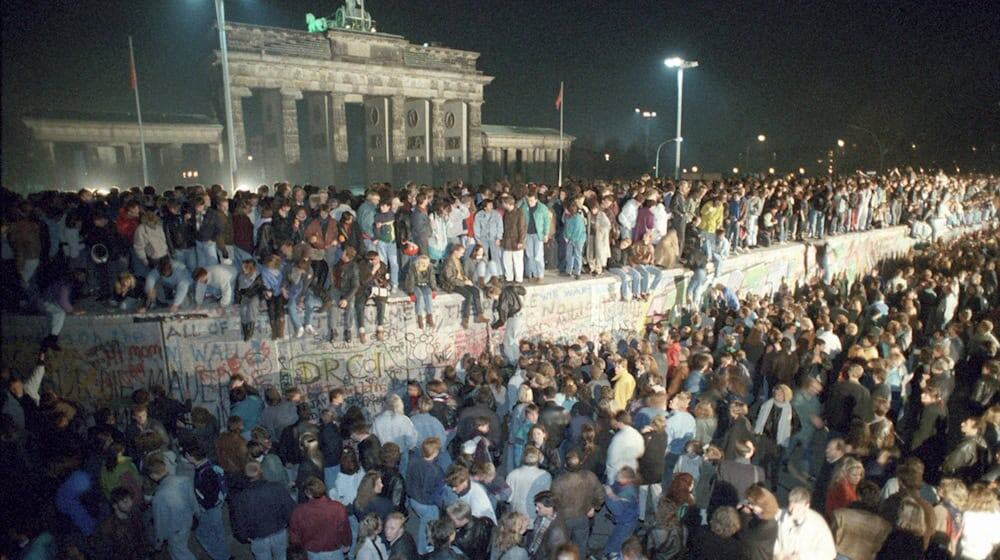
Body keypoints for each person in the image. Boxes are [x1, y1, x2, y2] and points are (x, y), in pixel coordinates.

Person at [232, 461, 297, 560]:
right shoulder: (277, 487)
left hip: (258, 537)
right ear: (261, 471)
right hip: (279, 531)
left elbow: (239, 520)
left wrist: (243, 536)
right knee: (282, 557)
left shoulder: (241, 497)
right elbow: (290, 509)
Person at [183, 440, 230, 560]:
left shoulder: (203, 473)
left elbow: (209, 495)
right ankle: (224, 554)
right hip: (218, 504)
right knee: (218, 531)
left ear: (191, 456)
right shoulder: (211, 464)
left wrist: (203, 507)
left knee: (202, 533)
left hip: (210, 508)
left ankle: (221, 556)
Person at [147, 455, 197, 560]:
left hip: (175, 531)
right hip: (188, 520)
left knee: (181, 555)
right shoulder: (184, 479)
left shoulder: (158, 497)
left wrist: (159, 542)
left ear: (153, 476)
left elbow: (160, 522)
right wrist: (196, 514)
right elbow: (192, 500)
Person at [773, 486, 836, 560]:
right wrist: (778, 552)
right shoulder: (779, 515)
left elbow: (829, 553)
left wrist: (802, 557)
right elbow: (770, 537)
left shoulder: (818, 524)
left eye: (798, 509)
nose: (793, 512)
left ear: (807, 506)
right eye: (791, 508)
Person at [441, 243, 486, 329]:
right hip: (450, 284)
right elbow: (450, 279)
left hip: (460, 281)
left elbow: (461, 274)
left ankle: (480, 315)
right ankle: (465, 319)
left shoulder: (457, 260)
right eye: (461, 253)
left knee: (475, 290)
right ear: (455, 251)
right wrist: (464, 283)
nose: (462, 255)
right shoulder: (449, 262)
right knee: (468, 295)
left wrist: (466, 279)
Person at [506, 445, 553, 522]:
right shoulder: (546, 476)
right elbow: (546, 499)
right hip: (536, 518)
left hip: (517, 519)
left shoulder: (512, 475)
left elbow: (508, 498)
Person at [736, 485, 780, 560]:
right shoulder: (758, 515)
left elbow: (745, 536)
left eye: (752, 504)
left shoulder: (769, 525)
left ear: (763, 506)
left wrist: (744, 513)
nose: (749, 506)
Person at [529, 490, 569, 560]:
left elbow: (554, 554)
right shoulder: (542, 515)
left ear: (550, 508)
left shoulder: (558, 531)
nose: (536, 509)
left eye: (539, 507)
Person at [404, 254, 436, 329]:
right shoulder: (413, 267)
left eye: (427, 263)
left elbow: (432, 278)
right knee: (420, 296)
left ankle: (429, 316)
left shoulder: (430, 266)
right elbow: (411, 280)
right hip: (414, 284)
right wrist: (411, 292)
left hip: (425, 284)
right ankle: (419, 317)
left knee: (428, 295)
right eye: (424, 263)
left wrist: (433, 289)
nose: (425, 265)